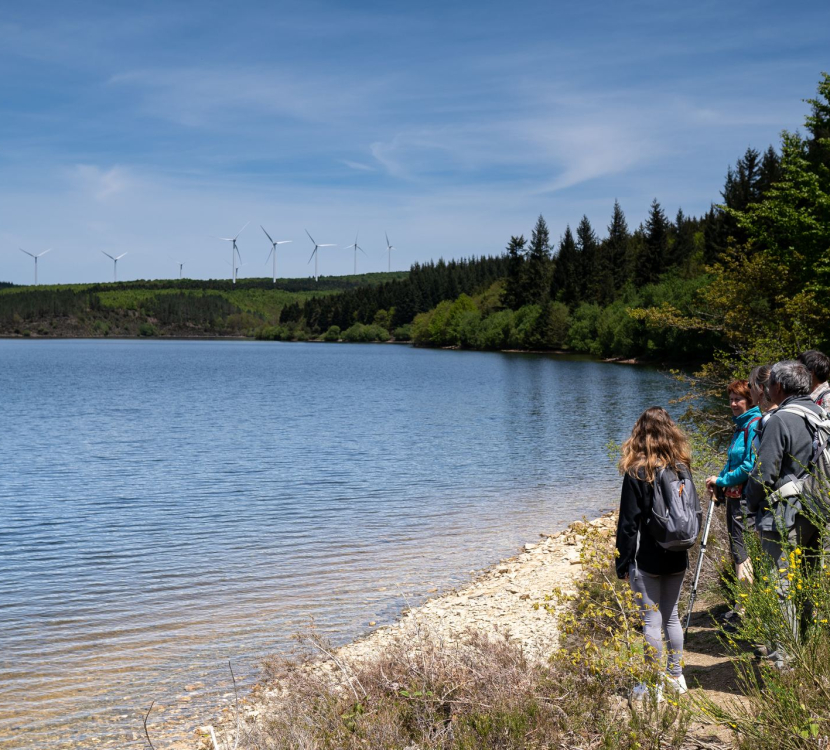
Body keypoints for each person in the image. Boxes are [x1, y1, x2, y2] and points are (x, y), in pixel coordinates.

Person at [745, 360, 824, 666]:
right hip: (817, 510)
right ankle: (806, 651)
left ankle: (786, 661)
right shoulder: (819, 413)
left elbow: (763, 474)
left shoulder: (780, 420)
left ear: (778, 387)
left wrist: (748, 507)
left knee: (781, 587)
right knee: (806, 581)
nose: (764, 390)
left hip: (785, 516)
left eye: (768, 385)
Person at [616, 407, 691, 699]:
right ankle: (676, 677)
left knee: (651, 620)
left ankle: (651, 683)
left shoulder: (636, 472)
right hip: (677, 554)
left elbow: (627, 524)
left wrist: (622, 562)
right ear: (670, 432)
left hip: (647, 558)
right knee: (671, 616)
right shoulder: (681, 467)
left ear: (640, 433)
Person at [705, 381, 762, 612]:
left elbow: (749, 466)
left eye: (738, 399)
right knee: (738, 549)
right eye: (730, 399)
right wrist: (717, 481)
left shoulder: (754, 424)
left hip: (745, 499)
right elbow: (732, 463)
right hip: (735, 498)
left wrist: (722, 481)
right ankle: (743, 604)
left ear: (750, 400)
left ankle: (743, 609)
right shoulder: (741, 426)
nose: (733, 403)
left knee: (742, 552)